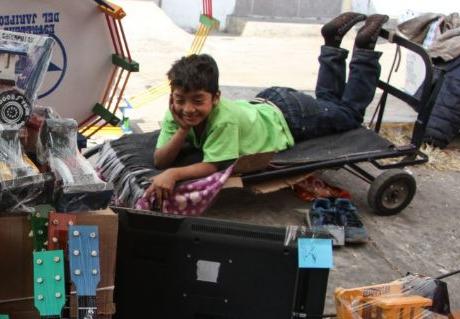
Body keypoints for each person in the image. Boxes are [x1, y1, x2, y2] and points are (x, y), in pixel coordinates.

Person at [144, 13, 389, 205]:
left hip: (291, 116)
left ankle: (365, 50)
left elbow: (214, 165)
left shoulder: (223, 120)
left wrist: (174, 174)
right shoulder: (175, 113)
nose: (188, 109)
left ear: (216, 98)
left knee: (349, 115)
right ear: (173, 96)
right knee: (330, 104)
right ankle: (333, 43)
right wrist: (183, 130)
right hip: (269, 103)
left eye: (198, 101)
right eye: (180, 99)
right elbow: (160, 159)